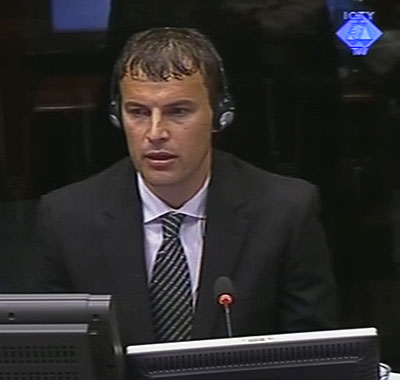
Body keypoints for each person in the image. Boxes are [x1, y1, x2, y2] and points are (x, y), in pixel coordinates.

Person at [31, 27, 336, 346]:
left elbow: (313, 354)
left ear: (221, 115)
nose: (155, 132)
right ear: (116, 116)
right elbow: (54, 356)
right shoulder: (66, 218)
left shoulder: (284, 211)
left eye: (178, 112)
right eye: (138, 112)